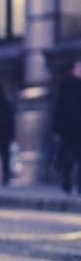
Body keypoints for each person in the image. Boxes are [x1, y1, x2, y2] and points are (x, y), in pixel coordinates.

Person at [52, 59, 81, 194]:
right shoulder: (65, 86)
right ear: (74, 69)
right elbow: (59, 108)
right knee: (68, 158)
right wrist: (56, 129)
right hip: (68, 129)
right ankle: (67, 181)